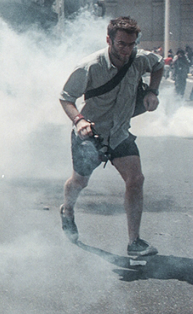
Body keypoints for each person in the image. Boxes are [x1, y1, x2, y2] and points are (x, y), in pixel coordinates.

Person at [59, 16, 164, 256]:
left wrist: (152, 91)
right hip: (90, 135)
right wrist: (79, 120)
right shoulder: (90, 66)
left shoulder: (139, 58)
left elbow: (158, 65)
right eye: (121, 44)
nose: (127, 50)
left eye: (131, 44)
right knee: (79, 182)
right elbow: (66, 98)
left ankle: (134, 242)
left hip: (119, 134)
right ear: (109, 40)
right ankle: (67, 209)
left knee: (136, 180)